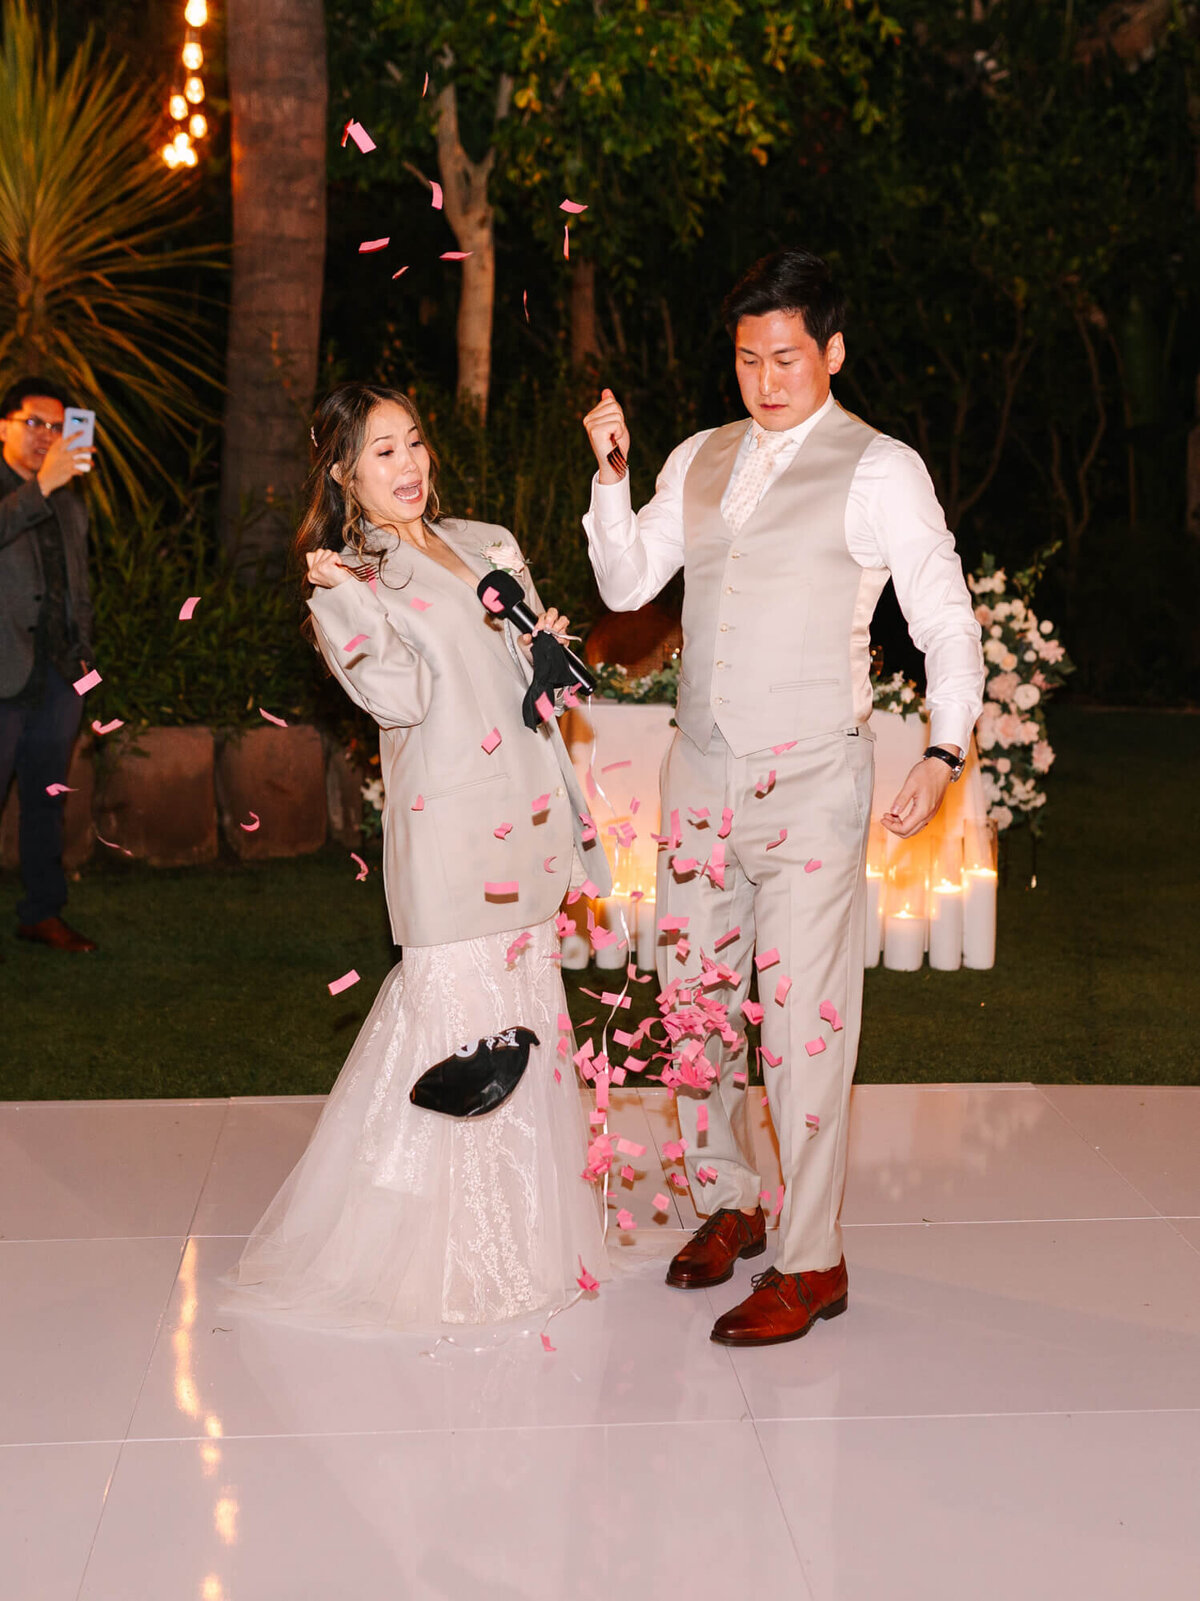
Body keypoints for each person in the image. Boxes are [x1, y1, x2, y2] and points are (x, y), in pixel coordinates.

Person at [580, 248, 985, 1347]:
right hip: (700, 771)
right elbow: (625, 586)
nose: (766, 378)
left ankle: (813, 1258)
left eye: (788, 356)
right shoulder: (700, 457)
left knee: (805, 1025)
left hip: (812, 775)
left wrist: (943, 751)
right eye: (750, 357)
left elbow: (946, 617)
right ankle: (731, 1197)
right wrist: (612, 478)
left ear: (834, 352)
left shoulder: (880, 467)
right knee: (694, 1001)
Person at [234, 382, 611, 1330]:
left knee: (524, 1023)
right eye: (382, 453)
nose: (408, 466)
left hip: (524, 817)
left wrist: (548, 649)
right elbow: (398, 699)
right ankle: (452, 1264)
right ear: (345, 474)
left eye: (413, 444)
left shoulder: (489, 543)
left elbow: (524, 668)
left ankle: (531, 1244)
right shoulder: (351, 575)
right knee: (458, 1035)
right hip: (448, 831)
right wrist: (346, 604)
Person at [0, 376, 97, 953]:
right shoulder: (32, 491)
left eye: (59, 427)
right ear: (4, 426)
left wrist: (87, 665)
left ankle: (42, 911)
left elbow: (78, 585)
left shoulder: (68, 499)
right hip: (4, 673)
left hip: (60, 677)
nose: (49, 436)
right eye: (35, 423)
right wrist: (40, 486)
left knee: (47, 799)